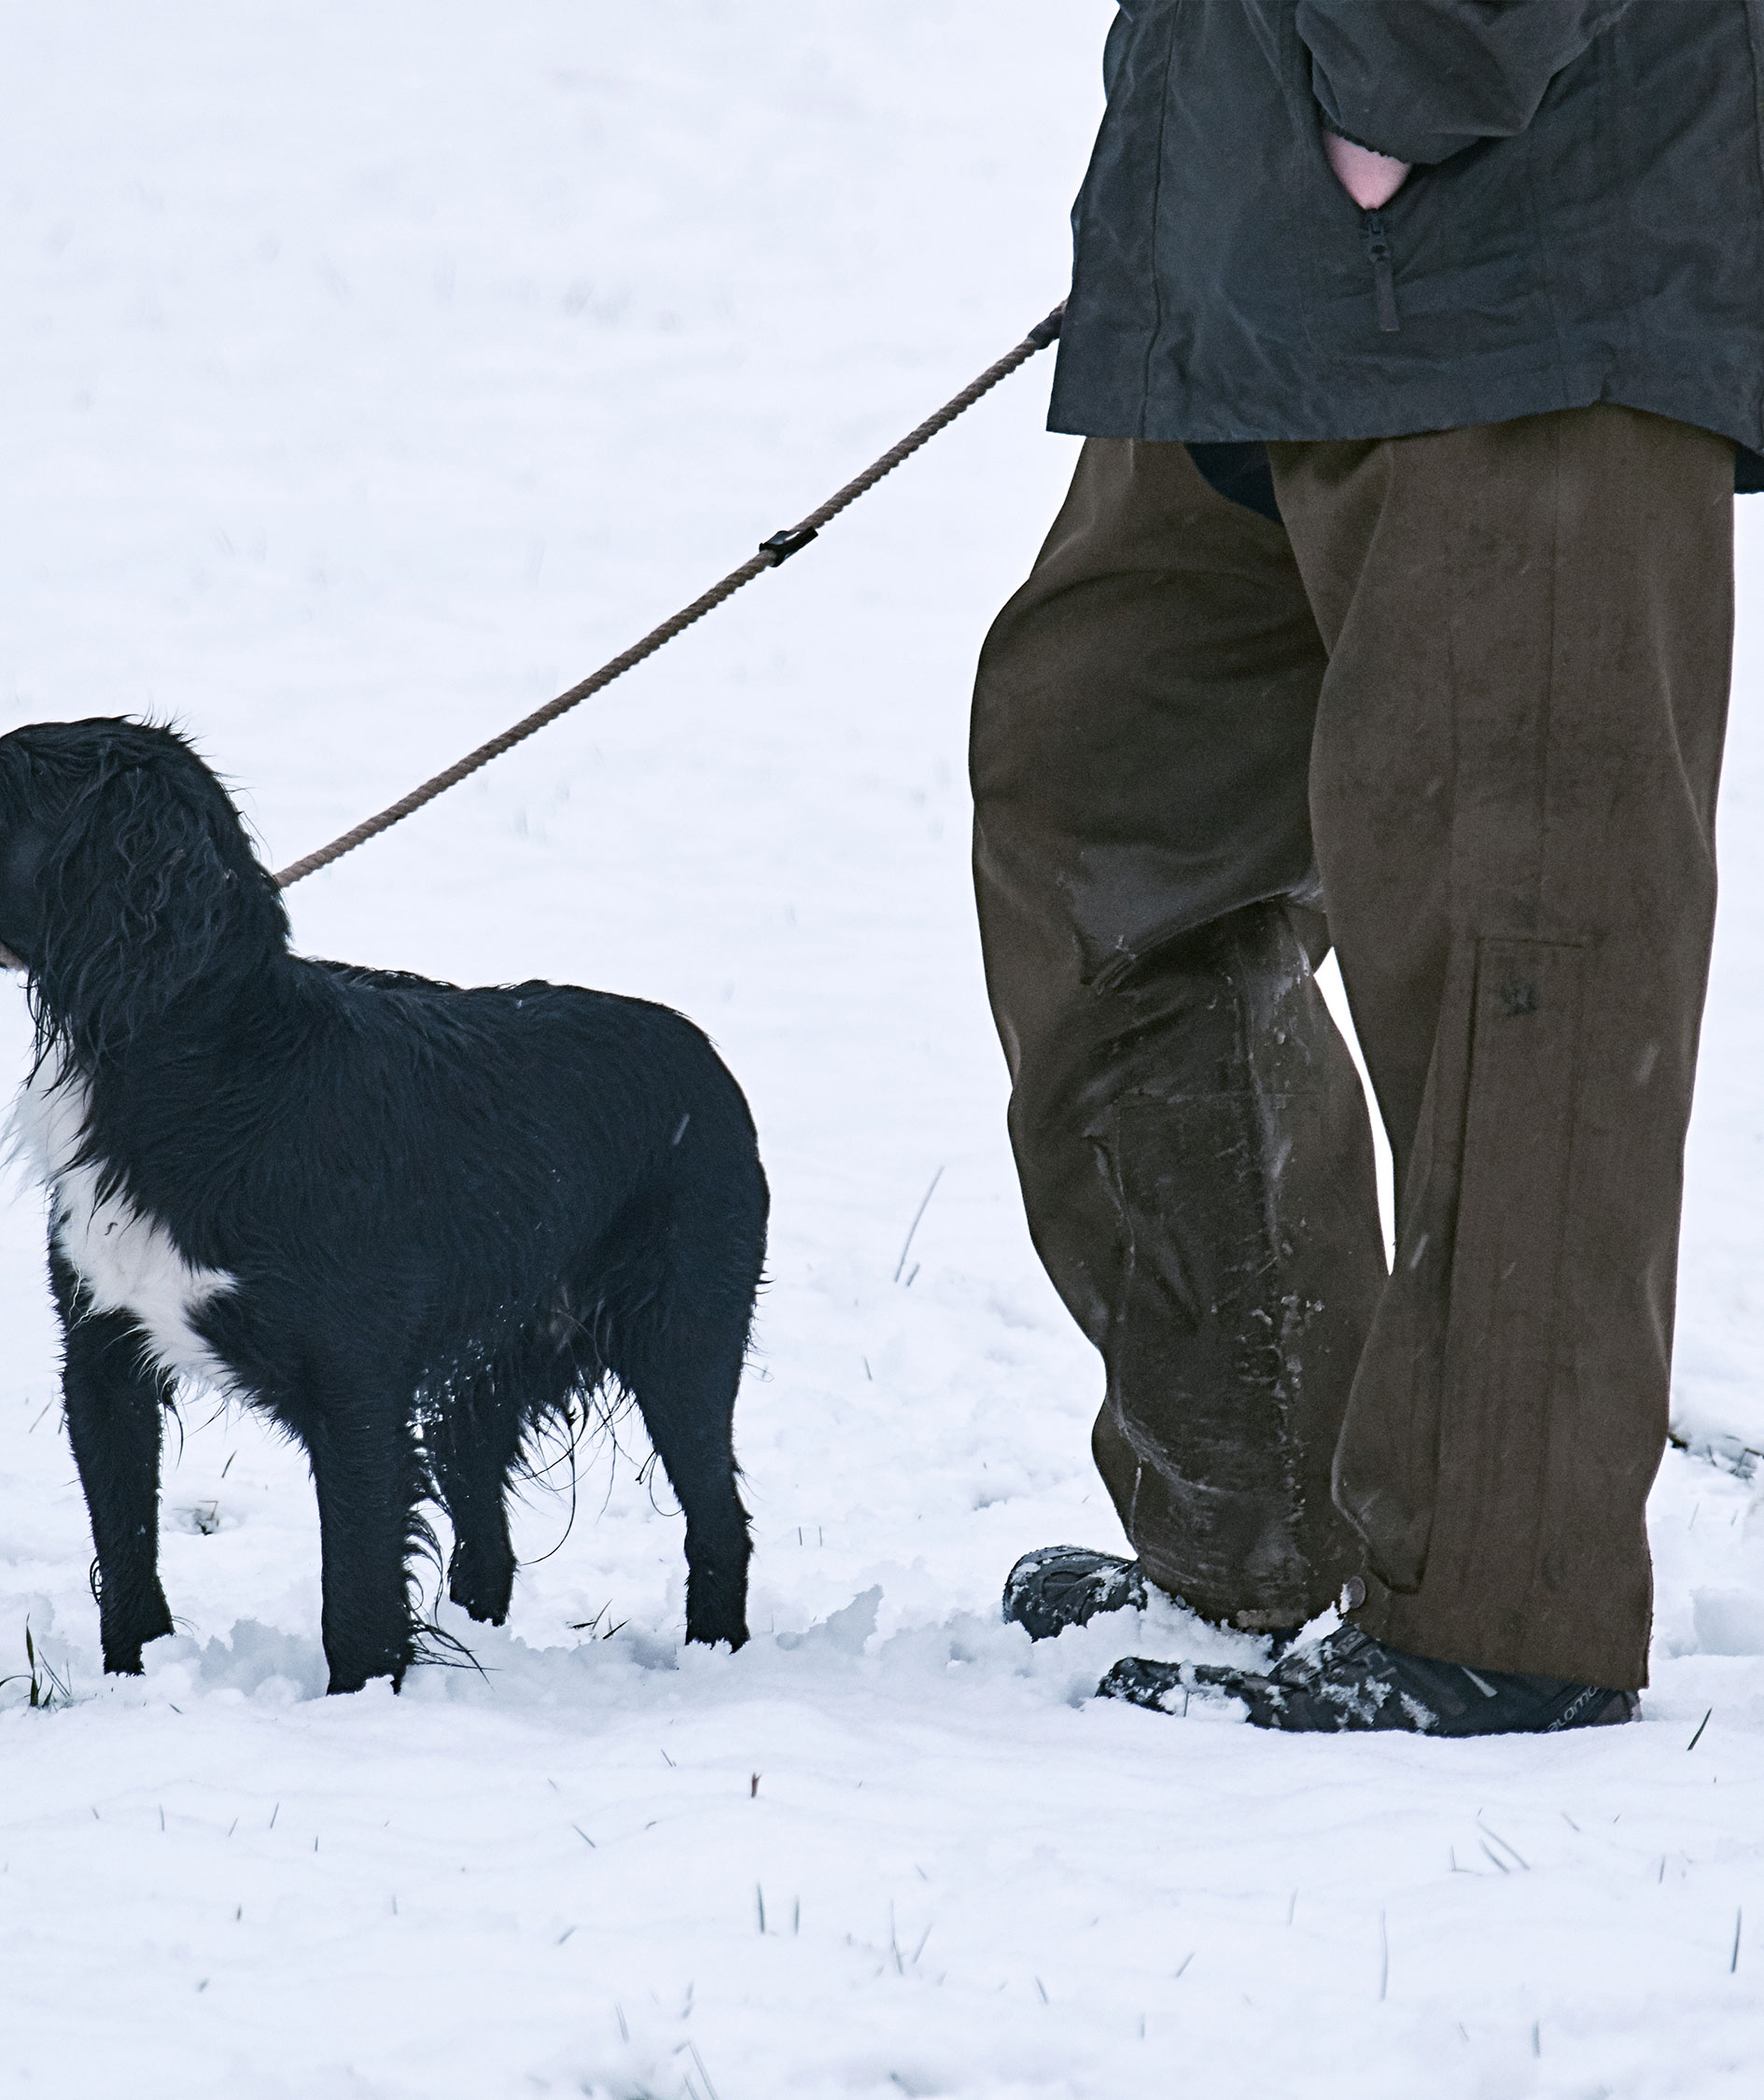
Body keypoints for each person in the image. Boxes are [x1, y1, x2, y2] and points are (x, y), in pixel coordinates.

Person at [973, 0, 1764, 1734]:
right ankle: (1267, 1519)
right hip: (1264, 248)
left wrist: (1407, 85)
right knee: (1101, 803)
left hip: (1519, 242)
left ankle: (1499, 1601)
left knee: (1521, 932)